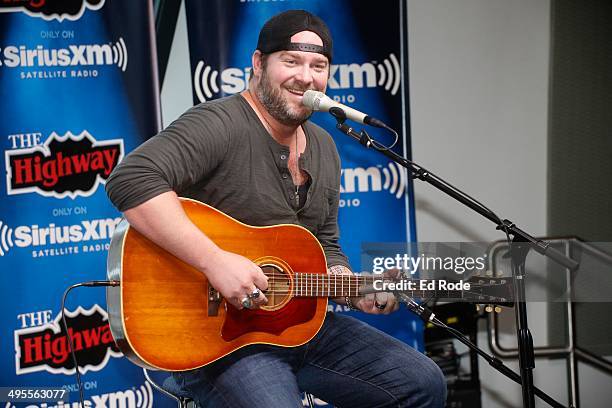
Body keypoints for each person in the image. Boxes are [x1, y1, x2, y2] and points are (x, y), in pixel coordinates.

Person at [106, 9, 446, 408]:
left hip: (299, 328)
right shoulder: (219, 123)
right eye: (291, 61)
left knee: (422, 382)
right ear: (258, 63)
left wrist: (353, 290)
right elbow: (131, 180)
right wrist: (215, 261)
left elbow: (325, 244)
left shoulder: (324, 146)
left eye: (318, 65)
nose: (306, 76)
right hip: (221, 341)